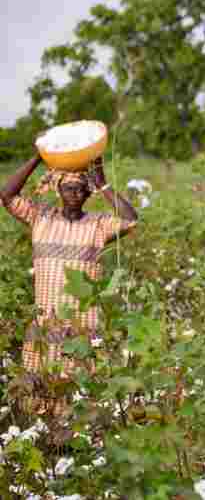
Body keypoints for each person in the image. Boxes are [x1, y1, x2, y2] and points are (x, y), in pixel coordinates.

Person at [0, 152, 138, 413]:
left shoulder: (97, 225)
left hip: (82, 327)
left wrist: (103, 183)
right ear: (58, 190)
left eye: (80, 189)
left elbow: (130, 220)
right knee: (39, 396)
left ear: (88, 194)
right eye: (68, 188)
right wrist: (37, 157)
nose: (74, 193)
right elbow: (7, 196)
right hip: (46, 323)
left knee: (79, 399)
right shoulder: (41, 217)